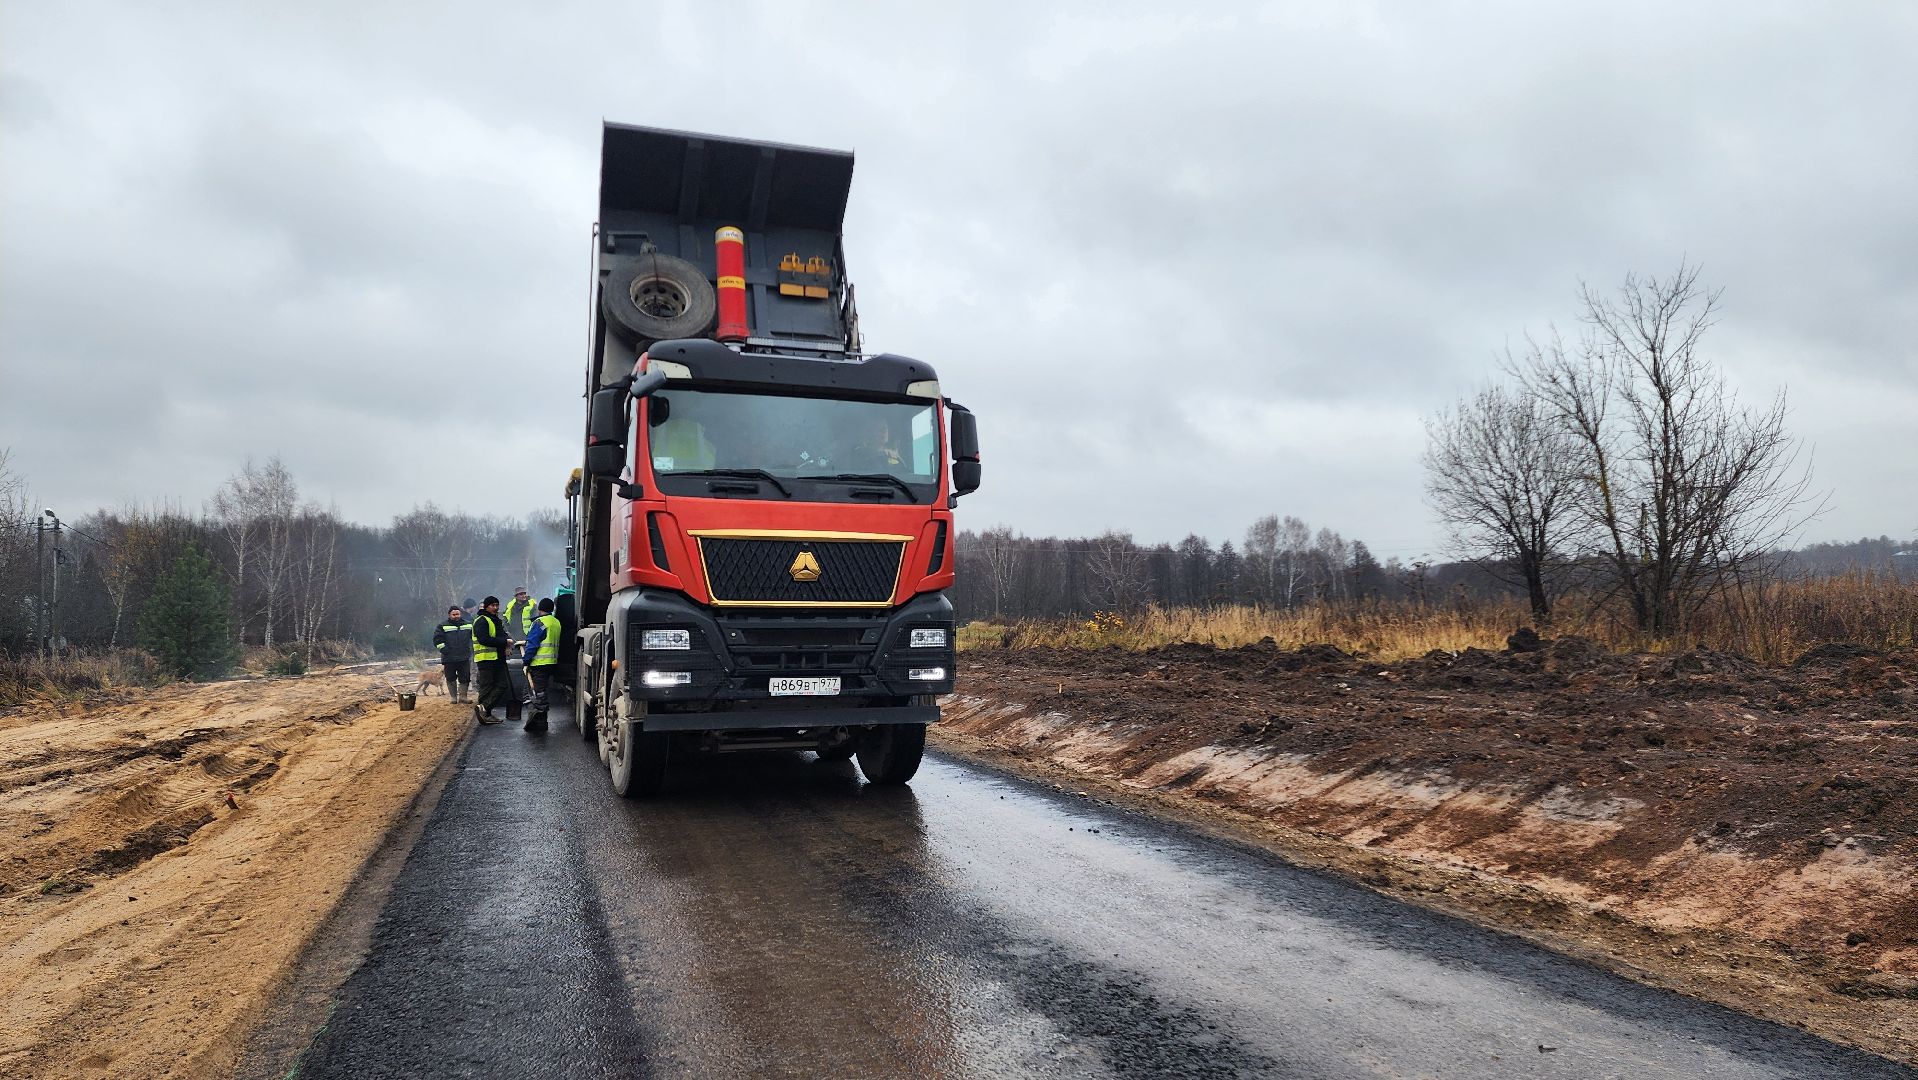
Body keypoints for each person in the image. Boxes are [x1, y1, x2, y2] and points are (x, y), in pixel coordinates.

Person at [520, 597, 562, 733]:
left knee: (537, 692)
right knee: (540, 690)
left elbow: (533, 643)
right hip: (552, 662)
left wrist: (526, 660)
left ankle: (539, 722)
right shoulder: (556, 622)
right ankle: (539, 720)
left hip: (539, 663)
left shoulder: (540, 623)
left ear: (539, 610)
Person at [470, 596, 510, 725]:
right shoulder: (481, 620)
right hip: (486, 659)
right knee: (487, 686)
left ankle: (485, 709)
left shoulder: (495, 620)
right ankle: (484, 712)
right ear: (486, 606)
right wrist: (504, 642)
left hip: (497, 658)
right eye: (492, 605)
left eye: (497, 605)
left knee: (502, 685)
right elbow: (484, 639)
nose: (496, 608)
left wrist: (506, 644)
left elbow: (501, 635)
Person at [431, 605, 473, 703]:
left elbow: (474, 638)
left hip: (464, 657)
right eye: (453, 614)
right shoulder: (442, 626)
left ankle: (463, 697)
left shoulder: (468, 625)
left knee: (465, 677)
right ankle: (453, 698)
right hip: (449, 658)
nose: (456, 616)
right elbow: (437, 640)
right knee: (450, 678)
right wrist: (445, 650)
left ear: (460, 614)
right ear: (449, 615)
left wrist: (470, 650)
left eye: (457, 614)